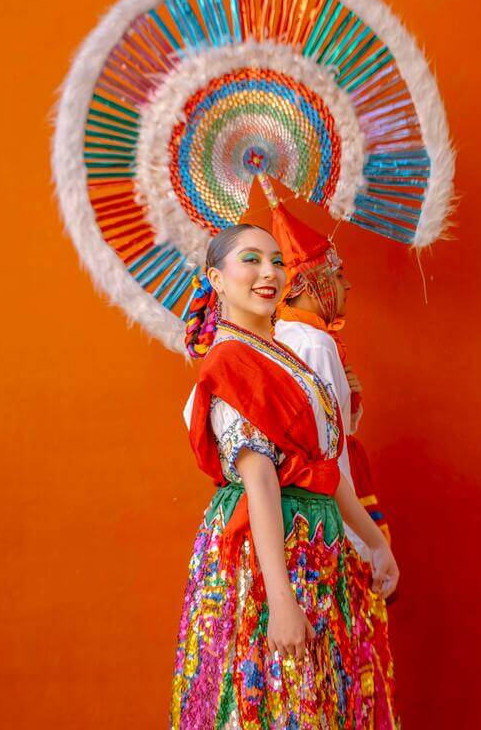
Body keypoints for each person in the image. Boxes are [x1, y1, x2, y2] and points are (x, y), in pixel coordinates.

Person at [170, 222, 401, 729]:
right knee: (275, 699)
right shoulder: (230, 363)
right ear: (216, 277)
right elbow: (262, 483)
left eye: (276, 260)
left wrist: (375, 542)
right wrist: (279, 600)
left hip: (316, 547)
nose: (268, 272)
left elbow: (321, 467)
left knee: (319, 699)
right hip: (267, 556)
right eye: (250, 260)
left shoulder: (290, 358)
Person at [270, 202, 392, 563]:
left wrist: (348, 400)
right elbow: (329, 458)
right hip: (323, 522)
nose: (348, 284)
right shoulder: (314, 343)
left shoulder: (284, 335)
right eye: (338, 275)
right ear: (312, 283)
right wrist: (362, 543)